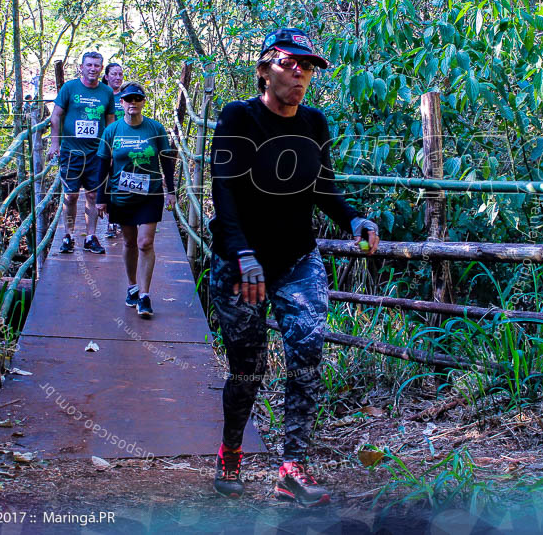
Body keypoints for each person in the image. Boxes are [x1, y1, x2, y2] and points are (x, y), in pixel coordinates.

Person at [208, 28, 380, 505]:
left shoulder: (315, 124)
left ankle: (291, 468)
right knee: (249, 367)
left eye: (308, 66)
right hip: (240, 264)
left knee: (306, 354)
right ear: (265, 69)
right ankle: (231, 450)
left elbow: (323, 189)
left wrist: (352, 218)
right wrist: (243, 255)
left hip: (298, 261)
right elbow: (224, 191)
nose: (300, 73)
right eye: (290, 63)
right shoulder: (238, 117)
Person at [95, 83, 177, 318]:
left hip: (150, 194)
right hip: (121, 195)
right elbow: (103, 165)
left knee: (145, 243)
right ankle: (132, 286)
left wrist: (171, 191)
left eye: (137, 99)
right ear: (121, 103)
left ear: (143, 102)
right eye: (128, 99)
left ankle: (145, 295)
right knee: (130, 243)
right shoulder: (112, 131)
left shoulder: (155, 128)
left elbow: (167, 162)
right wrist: (101, 198)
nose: (133, 103)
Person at [46, 51, 116, 255]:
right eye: (89, 65)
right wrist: (54, 143)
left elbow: (110, 122)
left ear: (101, 69)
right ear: (81, 67)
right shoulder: (69, 88)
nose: (93, 69)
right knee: (71, 195)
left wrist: (110, 151)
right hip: (71, 152)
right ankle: (68, 235)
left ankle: (91, 237)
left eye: (96, 65)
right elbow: (56, 116)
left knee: (93, 195)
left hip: (97, 153)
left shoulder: (107, 92)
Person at [103, 63, 126, 238]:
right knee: (108, 182)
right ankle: (111, 221)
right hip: (105, 144)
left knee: (122, 182)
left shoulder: (127, 96)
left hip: (124, 145)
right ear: (106, 76)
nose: (117, 78)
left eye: (120, 74)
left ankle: (123, 218)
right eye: (114, 74)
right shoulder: (101, 94)